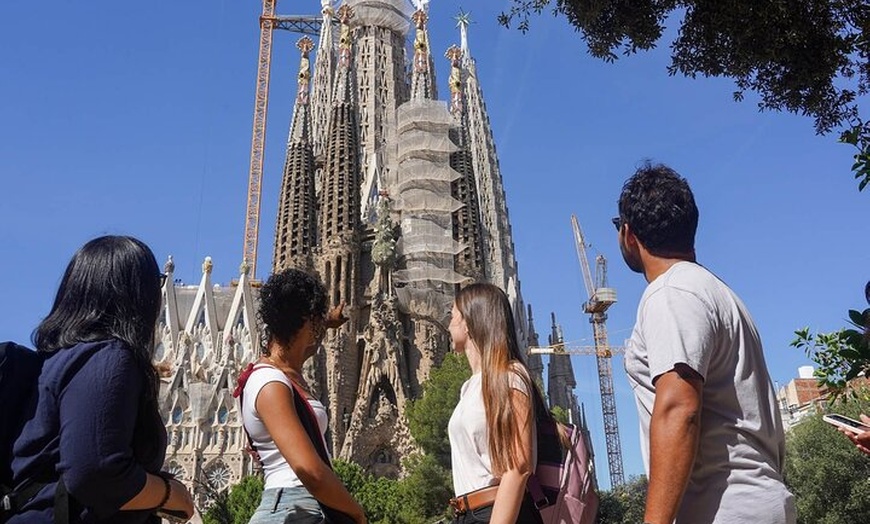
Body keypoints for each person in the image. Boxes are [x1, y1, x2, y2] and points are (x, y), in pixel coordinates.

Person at [616, 163, 795, 524]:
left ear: (628, 234)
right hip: (757, 498)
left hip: (723, 508)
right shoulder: (718, 293)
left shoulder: (670, 293)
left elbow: (679, 407)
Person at [9, 235, 194, 523]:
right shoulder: (109, 358)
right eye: (157, 284)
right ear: (136, 293)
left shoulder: (58, 363)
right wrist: (169, 494)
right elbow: (95, 472)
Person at [237, 268, 366, 524]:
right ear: (306, 322)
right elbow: (311, 472)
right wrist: (357, 514)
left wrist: (325, 322)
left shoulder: (285, 373)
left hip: (304, 505)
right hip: (292, 506)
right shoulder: (270, 383)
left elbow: (298, 349)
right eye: (315, 323)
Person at [447, 283, 544, 524]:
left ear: (469, 323)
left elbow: (519, 465)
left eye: (452, 316)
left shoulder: (510, 375)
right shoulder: (468, 388)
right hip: (467, 513)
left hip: (499, 511)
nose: (448, 325)